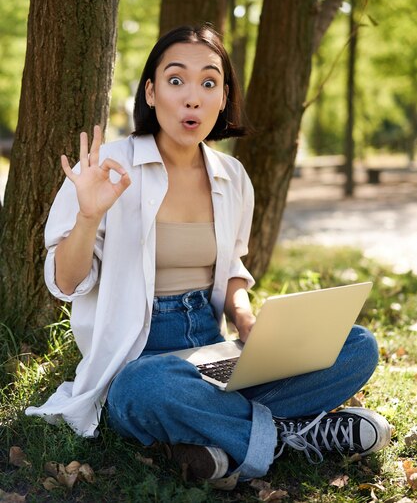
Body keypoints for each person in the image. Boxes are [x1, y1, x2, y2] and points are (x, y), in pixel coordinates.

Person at [26, 24, 391, 482]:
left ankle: (216, 437)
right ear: (152, 92)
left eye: (209, 82)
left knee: (357, 345)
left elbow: (232, 266)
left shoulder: (232, 176)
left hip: (209, 349)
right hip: (139, 357)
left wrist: (245, 318)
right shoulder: (106, 167)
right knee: (142, 392)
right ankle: (289, 435)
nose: (192, 97)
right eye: (176, 80)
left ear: (223, 99)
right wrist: (87, 217)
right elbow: (65, 283)